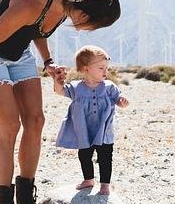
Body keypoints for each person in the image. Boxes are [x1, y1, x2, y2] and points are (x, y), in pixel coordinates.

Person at [0, 0, 121, 204]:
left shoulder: (65, 7)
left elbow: (38, 30)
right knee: (10, 126)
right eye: (94, 24)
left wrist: (48, 62)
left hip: (20, 52)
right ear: (85, 12)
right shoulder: (34, 0)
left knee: (36, 120)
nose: (89, 29)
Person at [52, 45, 129, 196]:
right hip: (84, 129)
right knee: (84, 154)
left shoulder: (109, 87)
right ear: (86, 69)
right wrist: (57, 80)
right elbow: (60, 91)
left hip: (104, 130)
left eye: (106, 68)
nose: (105, 71)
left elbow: (117, 98)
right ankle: (89, 179)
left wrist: (122, 101)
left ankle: (105, 185)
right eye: (101, 68)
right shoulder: (76, 88)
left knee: (105, 156)